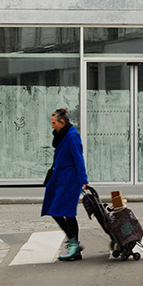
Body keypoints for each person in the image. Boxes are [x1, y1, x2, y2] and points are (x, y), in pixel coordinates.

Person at [40, 108, 87, 261]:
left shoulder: (72, 137)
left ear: (63, 122)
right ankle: (75, 249)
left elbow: (78, 159)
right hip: (60, 178)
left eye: (54, 123)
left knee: (58, 211)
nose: (52, 126)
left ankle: (74, 244)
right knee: (67, 213)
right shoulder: (62, 135)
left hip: (69, 180)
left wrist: (83, 180)